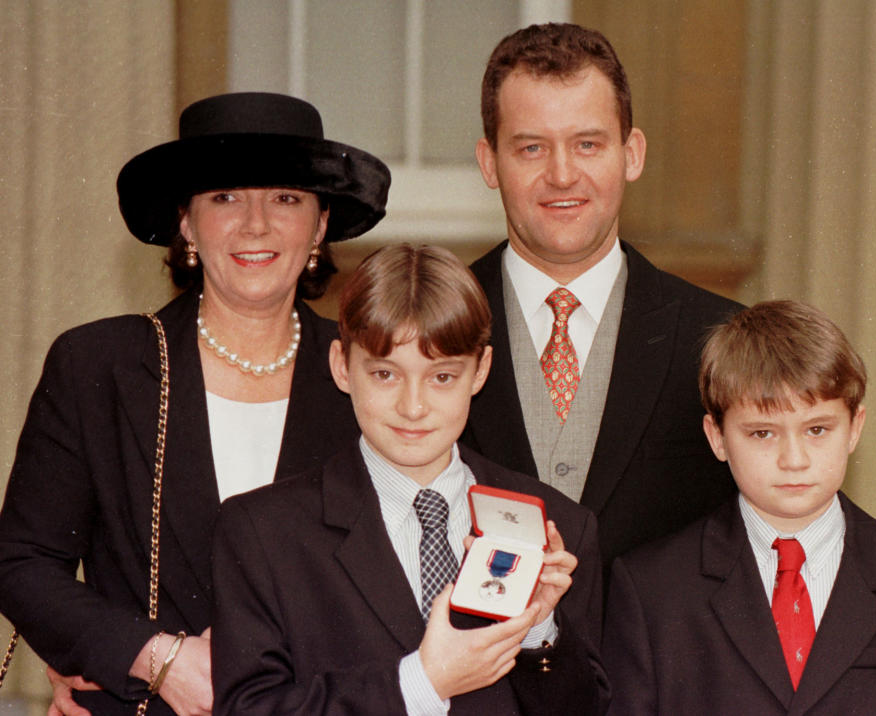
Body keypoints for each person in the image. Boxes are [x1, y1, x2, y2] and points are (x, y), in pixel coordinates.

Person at [0, 92, 390, 715]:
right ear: (186, 220)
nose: (256, 223)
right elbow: (23, 562)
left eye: (286, 198)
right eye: (225, 197)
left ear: (320, 224)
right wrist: (155, 660)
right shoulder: (97, 364)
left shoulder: (373, 374)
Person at [210, 244, 607, 715]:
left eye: (442, 377)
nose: (413, 407)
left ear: (479, 370)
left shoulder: (559, 526)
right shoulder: (262, 531)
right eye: (384, 374)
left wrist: (541, 631)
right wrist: (422, 683)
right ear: (342, 366)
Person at [463, 22, 742, 576]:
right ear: (490, 162)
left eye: (587, 144)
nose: (562, 175)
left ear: (631, 154)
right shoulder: (428, 330)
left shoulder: (719, 338)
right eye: (531, 148)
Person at [602, 299, 876, 714]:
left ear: (855, 428)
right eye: (762, 434)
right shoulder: (652, 591)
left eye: (817, 429)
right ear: (716, 436)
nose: (795, 459)